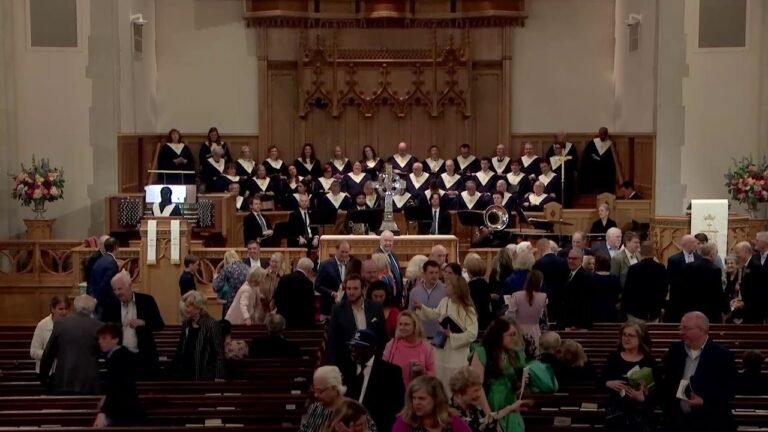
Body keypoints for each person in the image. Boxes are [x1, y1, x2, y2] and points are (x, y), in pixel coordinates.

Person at [661, 312, 737, 432]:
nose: (680, 332)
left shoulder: (722, 355)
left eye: (685, 328)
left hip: (710, 423)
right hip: (678, 422)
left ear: (701, 330)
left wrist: (704, 402)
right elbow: (667, 383)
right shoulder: (675, 350)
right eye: (680, 328)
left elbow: (729, 391)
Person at [414, 274, 478, 391]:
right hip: (441, 350)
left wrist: (451, 335)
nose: (445, 287)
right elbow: (435, 313)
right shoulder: (444, 302)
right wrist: (422, 307)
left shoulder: (468, 309)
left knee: (454, 382)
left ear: (456, 288)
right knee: (440, 379)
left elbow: (472, 334)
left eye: (448, 285)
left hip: (457, 353)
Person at [469, 318, 529, 432]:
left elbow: (512, 381)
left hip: (510, 404)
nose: (514, 338)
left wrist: (521, 384)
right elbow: (477, 386)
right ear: (498, 335)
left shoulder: (512, 352)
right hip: (490, 404)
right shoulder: (482, 352)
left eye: (515, 334)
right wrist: (490, 417)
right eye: (511, 335)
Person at [102, 270, 164, 377]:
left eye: (120, 288)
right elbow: (105, 329)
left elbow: (159, 325)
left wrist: (143, 322)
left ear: (129, 286)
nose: (117, 292)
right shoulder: (110, 305)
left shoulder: (146, 301)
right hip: (119, 359)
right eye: (114, 289)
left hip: (144, 357)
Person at [602, 320, 659, 432]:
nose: (626, 338)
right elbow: (599, 382)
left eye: (631, 335)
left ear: (640, 338)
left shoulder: (649, 360)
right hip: (616, 412)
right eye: (624, 334)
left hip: (641, 414)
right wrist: (608, 383)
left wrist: (642, 399)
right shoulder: (614, 358)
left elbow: (658, 390)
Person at [343, 329, 405, 432]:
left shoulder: (391, 372)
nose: (353, 350)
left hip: (377, 426)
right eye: (351, 346)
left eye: (358, 347)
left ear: (372, 349)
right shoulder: (346, 368)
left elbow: (396, 405)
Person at [39, 294, 102, 394]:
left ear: (76, 306)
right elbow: (102, 352)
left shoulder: (60, 324)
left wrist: (43, 379)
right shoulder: (98, 326)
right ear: (92, 308)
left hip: (63, 380)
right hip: (89, 383)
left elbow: (48, 354)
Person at [327, 274, 386, 366]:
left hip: (373, 361)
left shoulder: (375, 308)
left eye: (355, 288)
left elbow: (382, 336)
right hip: (347, 363)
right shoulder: (338, 310)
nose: (351, 292)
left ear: (363, 289)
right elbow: (333, 341)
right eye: (348, 288)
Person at [92, 323, 144, 427]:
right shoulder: (119, 355)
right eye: (99, 339)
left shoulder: (118, 358)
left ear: (115, 339)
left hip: (123, 410)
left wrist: (103, 411)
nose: (100, 341)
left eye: (104, 338)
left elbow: (115, 387)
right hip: (124, 408)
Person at [299, 366, 377, 432]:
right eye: (315, 390)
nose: (316, 395)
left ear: (334, 388)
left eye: (320, 391)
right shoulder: (315, 408)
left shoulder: (355, 409)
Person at [450, 366, 524, 432]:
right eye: (475, 391)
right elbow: (478, 425)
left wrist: (510, 408)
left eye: (479, 390)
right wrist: (508, 409)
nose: (479, 394)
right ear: (459, 394)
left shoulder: (473, 407)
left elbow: (486, 419)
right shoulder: (452, 416)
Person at [172, 290, 225, 381]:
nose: (186, 308)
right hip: (185, 373)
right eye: (185, 305)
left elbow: (218, 353)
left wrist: (218, 376)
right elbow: (181, 349)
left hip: (203, 374)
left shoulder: (211, 324)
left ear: (198, 308)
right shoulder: (186, 323)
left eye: (189, 306)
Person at [393, 375, 472, 432]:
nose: (416, 403)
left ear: (436, 399)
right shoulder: (405, 421)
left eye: (421, 398)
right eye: (414, 398)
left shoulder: (452, 421)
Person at [384, 310, 435, 389]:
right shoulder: (391, 345)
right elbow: (382, 370)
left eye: (406, 324)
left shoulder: (425, 347)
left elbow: (433, 375)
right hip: (393, 391)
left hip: (416, 392)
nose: (402, 327)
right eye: (400, 324)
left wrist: (423, 372)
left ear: (415, 326)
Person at [680, 243, 727, 323]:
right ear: (712, 254)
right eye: (716, 254)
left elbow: (684, 288)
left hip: (692, 308)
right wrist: (726, 309)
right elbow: (718, 291)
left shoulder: (688, 266)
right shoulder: (715, 270)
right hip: (710, 310)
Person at [623, 241, 668, 322]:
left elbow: (628, 291)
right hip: (654, 312)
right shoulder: (660, 268)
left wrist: (625, 310)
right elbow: (664, 290)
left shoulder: (634, 269)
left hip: (636, 312)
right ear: (653, 252)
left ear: (640, 251)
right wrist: (661, 307)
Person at [508, 270, 548, 354]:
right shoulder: (543, 297)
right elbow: (543, 318)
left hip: (518, 331)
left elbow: (510, 316)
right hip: (535, 332)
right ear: (540, 282)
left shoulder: (516, 295)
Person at [408, 260, 447, 339]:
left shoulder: (446, 290)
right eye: (431, 272)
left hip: (440, 335)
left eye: (436, 273)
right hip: (421, 335)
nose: (434, 275)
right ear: (424, 274)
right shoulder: (415, 292)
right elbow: (411, 314)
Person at [30, 296, 69, 374]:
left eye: (66, 309)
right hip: (47, 372)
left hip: (66, 372)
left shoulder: (71, 324)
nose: (64, 312)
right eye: (61, 309)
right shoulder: (42, 325)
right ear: (52, 309)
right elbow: (33, 352)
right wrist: (50, 355)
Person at [274, 257, 316, 329]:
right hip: (300, 323)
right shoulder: (308, 283)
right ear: (308, 270)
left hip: (283, 322)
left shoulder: (284, 278)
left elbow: (277, 298)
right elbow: (309, 305)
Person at [533, 238, 569, 323]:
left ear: (540, 249)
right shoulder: (563, 262)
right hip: (561, 300)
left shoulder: (538, 263)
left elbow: (536, 283)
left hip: (545, 299)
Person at [316, 240, 351, 319]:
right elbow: (317, 285)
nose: (344, 254)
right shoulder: (325, 264)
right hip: (328, 308)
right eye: (342, 252)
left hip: (346, 308)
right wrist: (331, 293)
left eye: (347, 252)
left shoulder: (350, 265)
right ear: (336, 249)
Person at [560, 248, 594, 330]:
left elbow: (585, 303)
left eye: (574, 259)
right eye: (569, 258)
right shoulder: (566, 274)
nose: (571, 261)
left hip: (578, 325)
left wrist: (576, 324)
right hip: (567, 322)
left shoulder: (586, 277)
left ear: (581, 260)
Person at [740, 231, 768, 323]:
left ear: (765, 242)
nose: (754, 242)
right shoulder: (754, 258)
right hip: (752, 305)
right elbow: (747, 279)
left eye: (757, 240)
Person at [88, 237, 119, 318]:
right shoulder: (112, 263)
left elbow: (91, 280)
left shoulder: (99, 261)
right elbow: (107, 283)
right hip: (106, 303)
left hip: (96, 300)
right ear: (116, 247)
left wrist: (94, 296)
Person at [213, 249, 251, 316]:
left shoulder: (228, 268)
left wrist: (215, 277)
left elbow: (216, 287)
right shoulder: (248, 267)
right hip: (246, 302)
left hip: (232, 303)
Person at [580, 126, 617, 193]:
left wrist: (603, 159)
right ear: (598, 134)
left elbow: (611, 160)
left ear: (606, 134)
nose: (602, 136)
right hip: (593, 169)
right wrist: (594, 157)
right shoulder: (593, 143)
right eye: (601, 134)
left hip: (604, 171)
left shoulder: (610, 144)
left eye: (604, 134)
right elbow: (587, 154)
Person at [374, 230, 404, 302]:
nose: (388, 243)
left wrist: (401, 295)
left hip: (397, 297)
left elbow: (398, 275)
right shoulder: (376, 256)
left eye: (390, 241)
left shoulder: (393, 255)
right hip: (386, 299)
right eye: (386, 240)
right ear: (380, 241)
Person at [591, 253, 622, 323]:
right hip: (611, 311)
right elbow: (619, 295)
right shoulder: (614, 278)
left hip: (594, 312)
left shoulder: (591, 278)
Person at [465, 254, 492, 331]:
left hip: (475, 318)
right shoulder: (485, 283)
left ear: (469, 272)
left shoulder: (470, 285)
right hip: (486, 316)